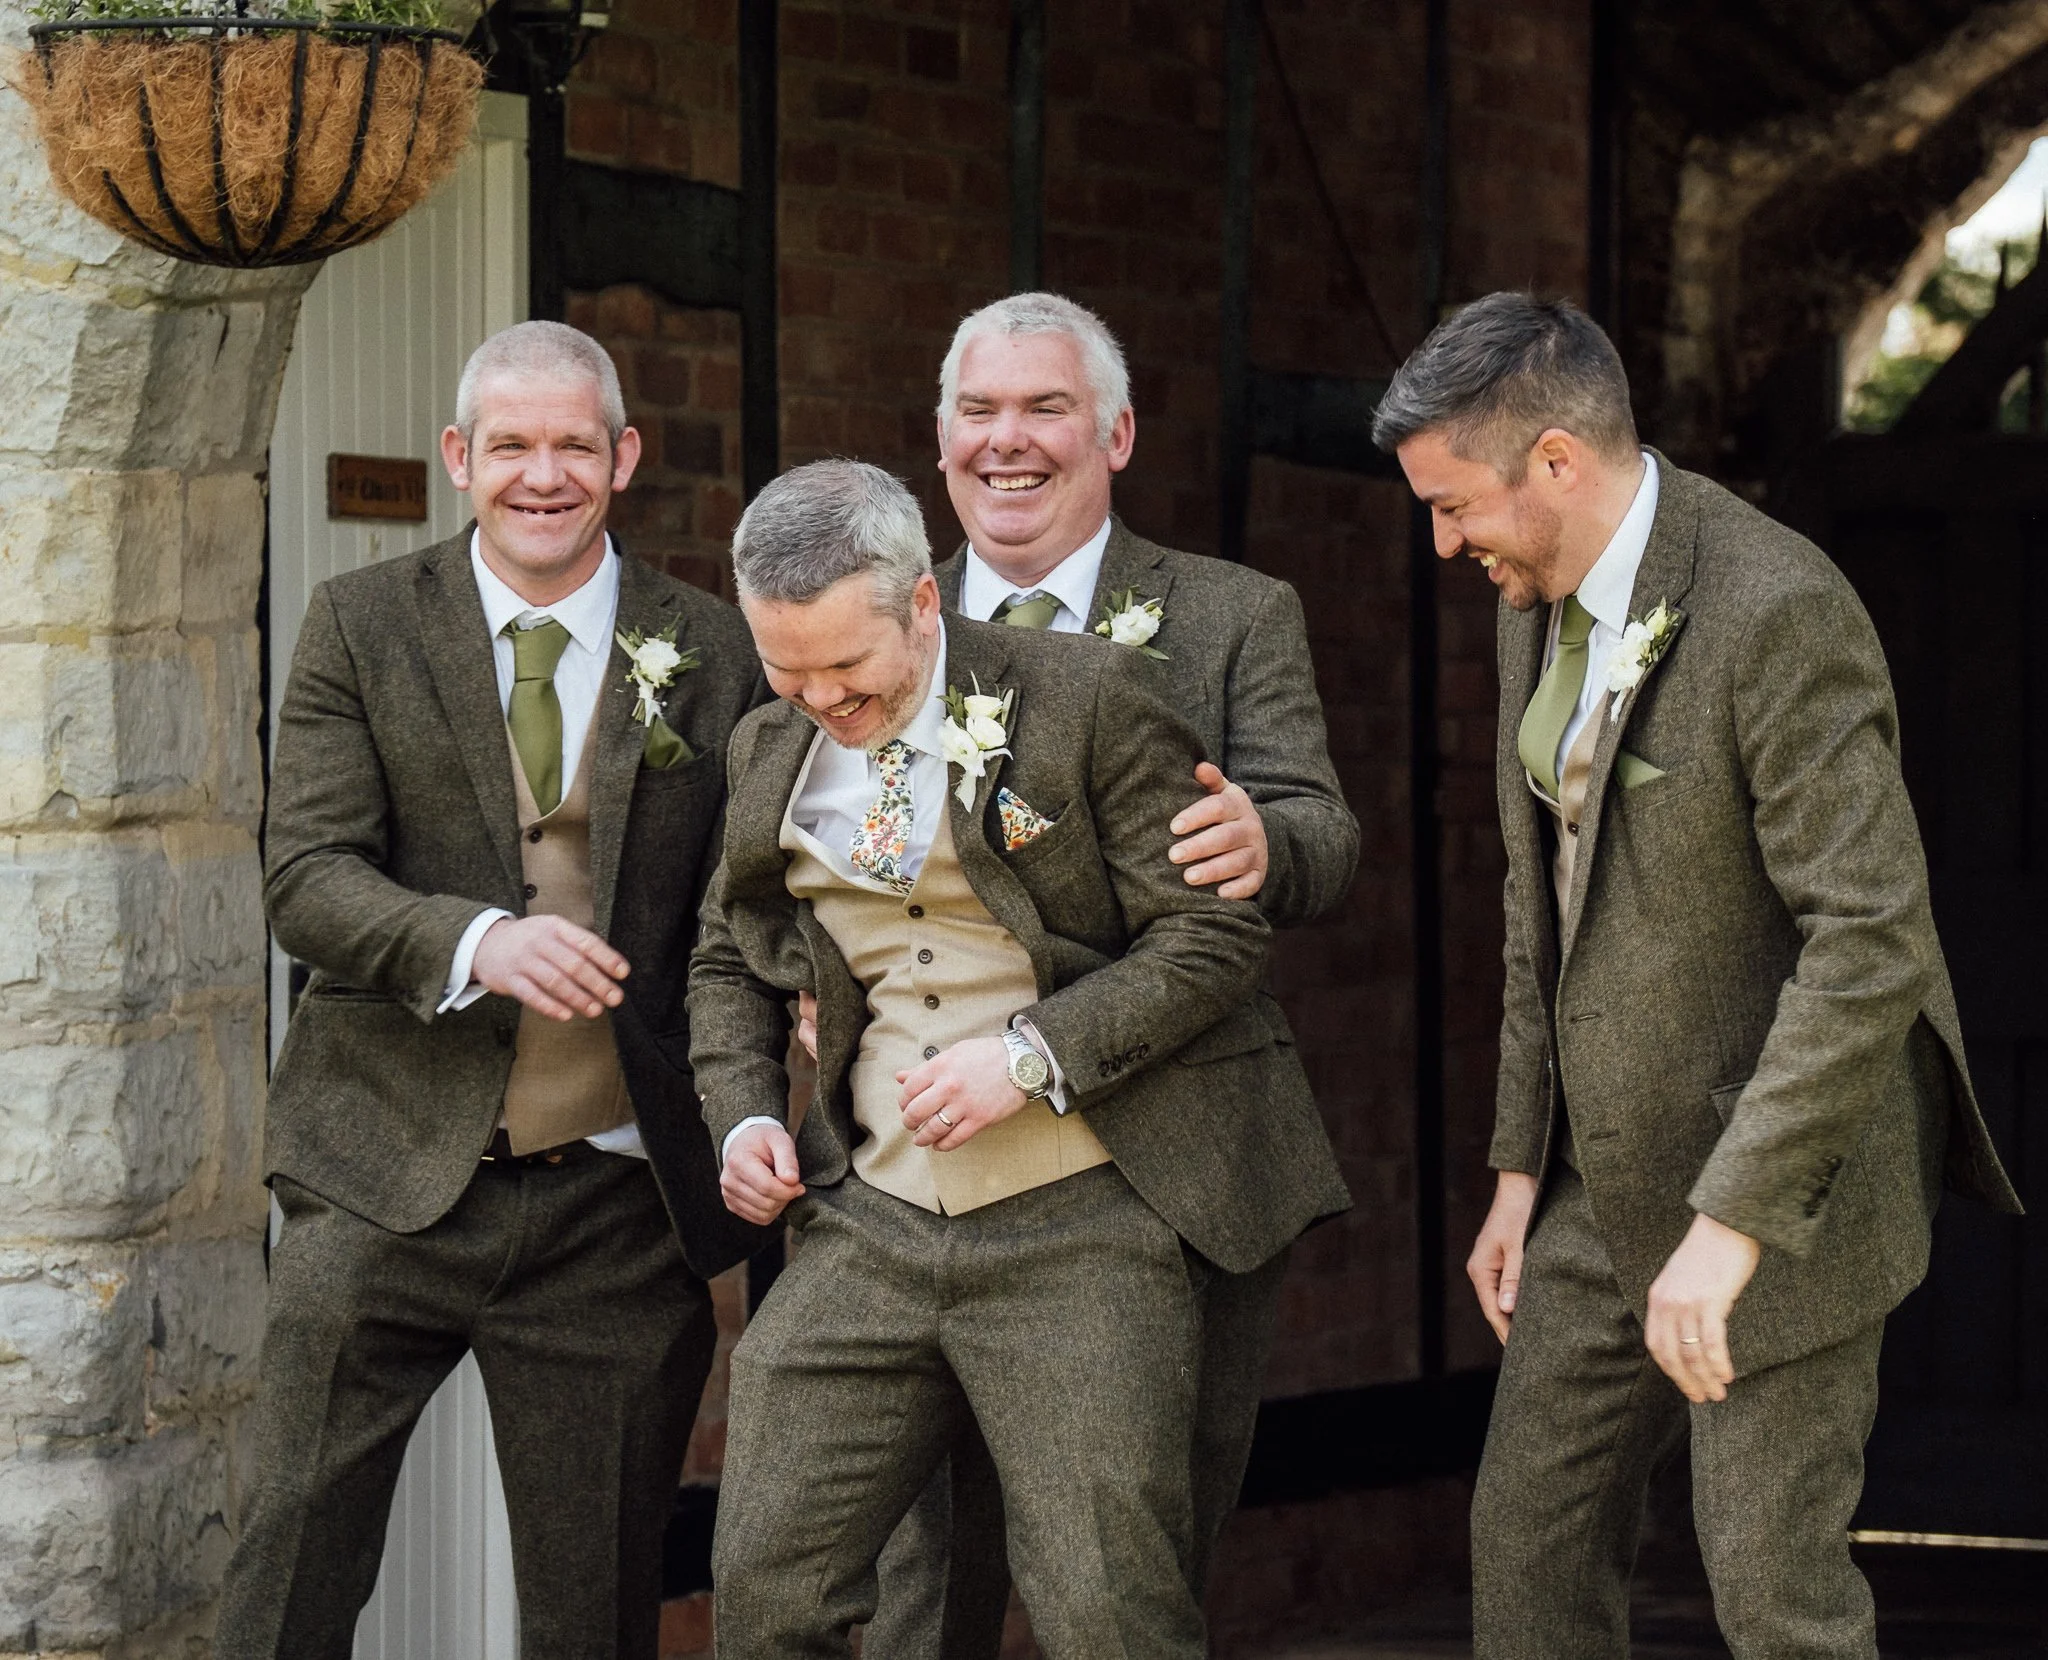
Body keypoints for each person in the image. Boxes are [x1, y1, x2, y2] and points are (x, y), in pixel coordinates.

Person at [1372, 291, 2021, 1659]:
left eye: (1454, 506)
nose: (1442, 543)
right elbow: (1543, 896)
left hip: (1782, 1188)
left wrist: (1730, 1224)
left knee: (1773, 1598)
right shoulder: (1529, 597)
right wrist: (1515, 1166)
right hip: (1596, 1178)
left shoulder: (1777, 608)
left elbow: (1871, 937)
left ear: (1555, 460)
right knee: (1528, 1551)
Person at [687, 458, 1350, 1659]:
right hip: (870, 1218)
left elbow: (1212, 936)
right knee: (768, 1582)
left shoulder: (1090, 698)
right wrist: (744, 1117)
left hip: (1080, 1218)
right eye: (787, 669)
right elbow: (729, 956)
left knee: (1105, 1610)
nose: (820, 698)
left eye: (846, 666)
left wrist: (1032, 1054)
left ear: (922, 604)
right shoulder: (763, 749)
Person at [216, 321, 769, 1660]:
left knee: (593, 1614)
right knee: (287, 1570)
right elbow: (306, 878)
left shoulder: (712, 644)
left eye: (574, 444)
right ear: (459, 458)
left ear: (623, 457)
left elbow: (745, 903)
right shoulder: (362, 623)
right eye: (511, 444)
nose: (543, 474)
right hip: (379, 1171)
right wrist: (475, 943)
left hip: (615, 1205)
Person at [858, 290, 1359, 1656]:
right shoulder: (879, 618)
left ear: (1117, 434)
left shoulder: (1233, 613)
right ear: (940, 437)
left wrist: (1268, 840)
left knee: (1129, 1589)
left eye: (1046, 408)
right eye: (978, 410)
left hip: (1170, 1160)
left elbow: (1322, 830)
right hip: (928, 1165)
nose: (1006, 441)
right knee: (920, 1588)